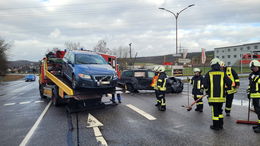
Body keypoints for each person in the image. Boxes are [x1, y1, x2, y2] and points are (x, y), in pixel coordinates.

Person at [204, 58, 232, 130]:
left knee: (215, 112)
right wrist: (225, 88)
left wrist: (207, 91)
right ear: (219, 65)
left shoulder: (209, 73)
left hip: (213, 97)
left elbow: (205, 85)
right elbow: (229, 82)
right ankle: (221, 125)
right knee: (220, 110)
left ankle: (216, 126)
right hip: (221, 97)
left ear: (212, 64)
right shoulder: (223, 73)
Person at [247, 60, 260, 133]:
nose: (253, 69)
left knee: (259, 110)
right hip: (254, 95)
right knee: (257, 110)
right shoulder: (252, 75)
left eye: (254, 67)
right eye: (252, 67)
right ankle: (259, 124)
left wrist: (256, 78)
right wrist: (248, 93)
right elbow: (250, 85)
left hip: (259, 95)